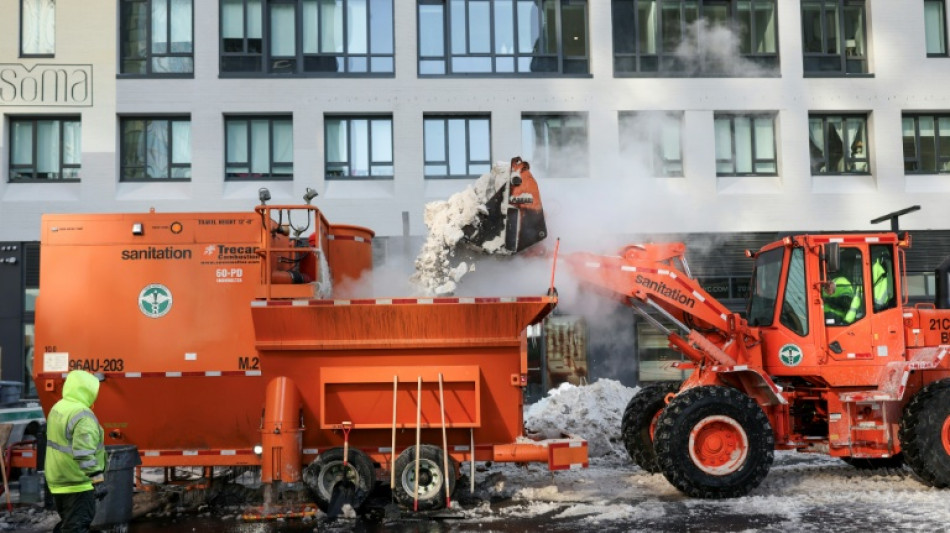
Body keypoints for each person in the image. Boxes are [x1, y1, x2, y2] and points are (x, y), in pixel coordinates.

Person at [46, 370, 107, 533]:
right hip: (77, 483)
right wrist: (97, 479)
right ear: (88, 390)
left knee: (68, 524)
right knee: (76, 527)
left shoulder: (58, 407)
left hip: (58, 481)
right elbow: (83, 452)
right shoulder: (83, 416)